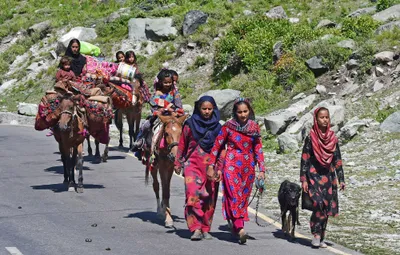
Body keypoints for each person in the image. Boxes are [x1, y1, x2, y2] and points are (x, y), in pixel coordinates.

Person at [207, 98, 266, 244]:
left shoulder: (254, 127)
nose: (243, 115)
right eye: (239, 112)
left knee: (243, 197)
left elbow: (258, 148)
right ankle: (240, 228)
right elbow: (217, 146)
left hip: (248, 166)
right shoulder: (228, 127)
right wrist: (211, 165)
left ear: (250, 111)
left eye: (245, 111)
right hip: (231, 164)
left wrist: (262, 169)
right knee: (234, 195)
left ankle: (235, 226)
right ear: (235, 112)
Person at [174, 96, 221, 241]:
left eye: (209, 109)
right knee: (192, 195)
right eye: (204, 109)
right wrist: (178, 162)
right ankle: (195, 228)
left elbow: (222, 149)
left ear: (214, 109)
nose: (207, 112)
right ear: (198, 108)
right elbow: (182, 143)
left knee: (209, 198)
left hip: (211, 167)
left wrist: (219, 168)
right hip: (192, 165)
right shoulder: (189, 124)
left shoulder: (219, 128)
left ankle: (206, 228)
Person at [300, 107, 345, 248]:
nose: (325, 120)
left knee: (326, 207)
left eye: (327, 117)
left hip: (329, 177)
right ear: (316, 119)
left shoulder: (333, 138)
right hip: (313, 175)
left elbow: (337, 159)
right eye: (321, 117)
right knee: (318, 204)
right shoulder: (311, 138)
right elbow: (305, 159)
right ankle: (315, 234)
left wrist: (342, 179)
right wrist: (303, 179)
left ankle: (322, 236)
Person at [131, 69, 183, 153]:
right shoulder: (157, 94)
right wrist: (160, 110)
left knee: (185, 127)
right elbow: (153, 107)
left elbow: (179, 106)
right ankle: (140, 141)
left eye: (169, 82)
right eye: (165, 82)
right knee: (145, 125)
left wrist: (174, 111)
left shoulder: (175, 93)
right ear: (160, 82)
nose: (168, 84)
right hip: (159, 117)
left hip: (173, 116)